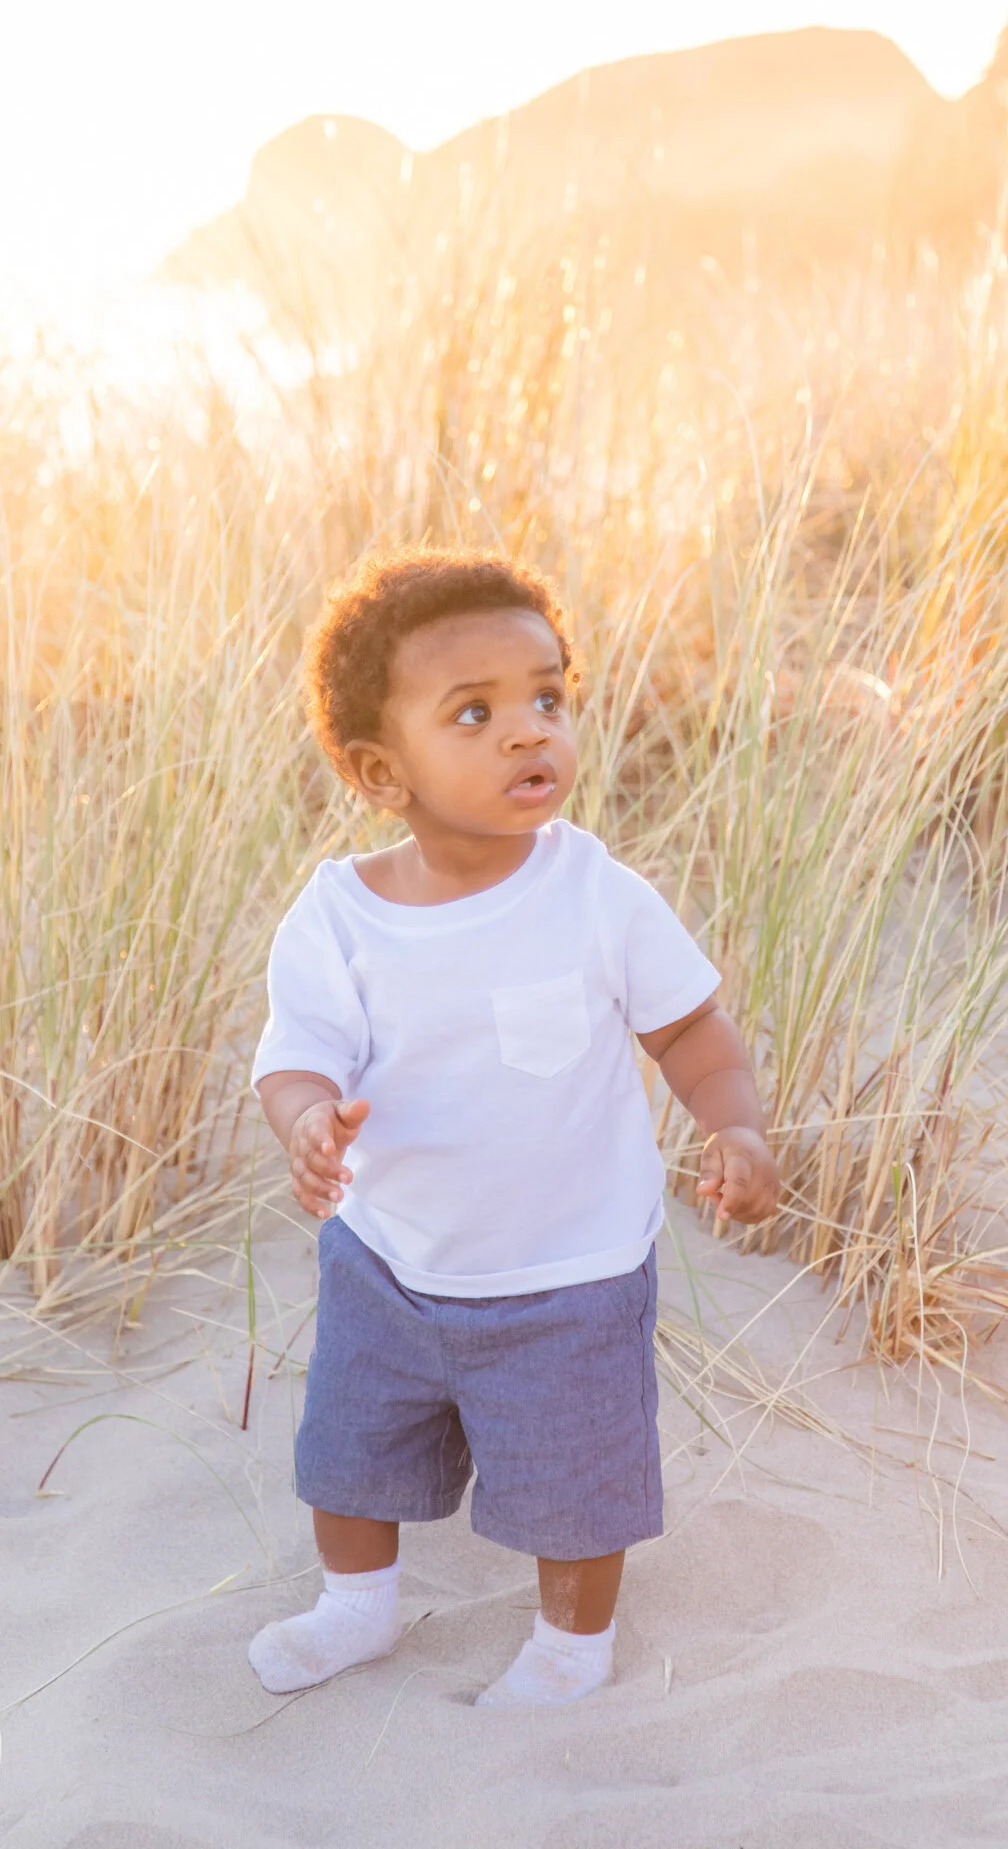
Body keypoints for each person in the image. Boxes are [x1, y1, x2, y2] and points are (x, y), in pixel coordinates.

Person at [247, 546, 779, 1707]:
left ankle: (570, 1647)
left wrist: (733, 1126)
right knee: (351, 1449)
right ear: (383, 768)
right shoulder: (340, 916)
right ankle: (356, 1606)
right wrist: (305, 1120)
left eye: (546, 697)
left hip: (569, 1273)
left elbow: (693, 1034)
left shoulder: (597, 894)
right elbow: (297, 1055)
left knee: (575, 1478)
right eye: (474, 713)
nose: (527, 731)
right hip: (389, 1259)